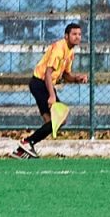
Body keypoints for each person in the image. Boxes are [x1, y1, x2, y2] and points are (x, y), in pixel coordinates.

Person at [12, 23, 87, 159]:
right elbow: (48, 73)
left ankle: (21, 150)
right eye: (74, 34)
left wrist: (76, 78)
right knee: (60, 119)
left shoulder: (70, 52)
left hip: (43, 85)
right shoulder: (59, 48)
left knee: (50, 122)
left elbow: (65, 75)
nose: (77, 37)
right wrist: (52, 96)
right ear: (66, 36)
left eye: (79, 34)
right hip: (40, 84)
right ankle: (27, 142)